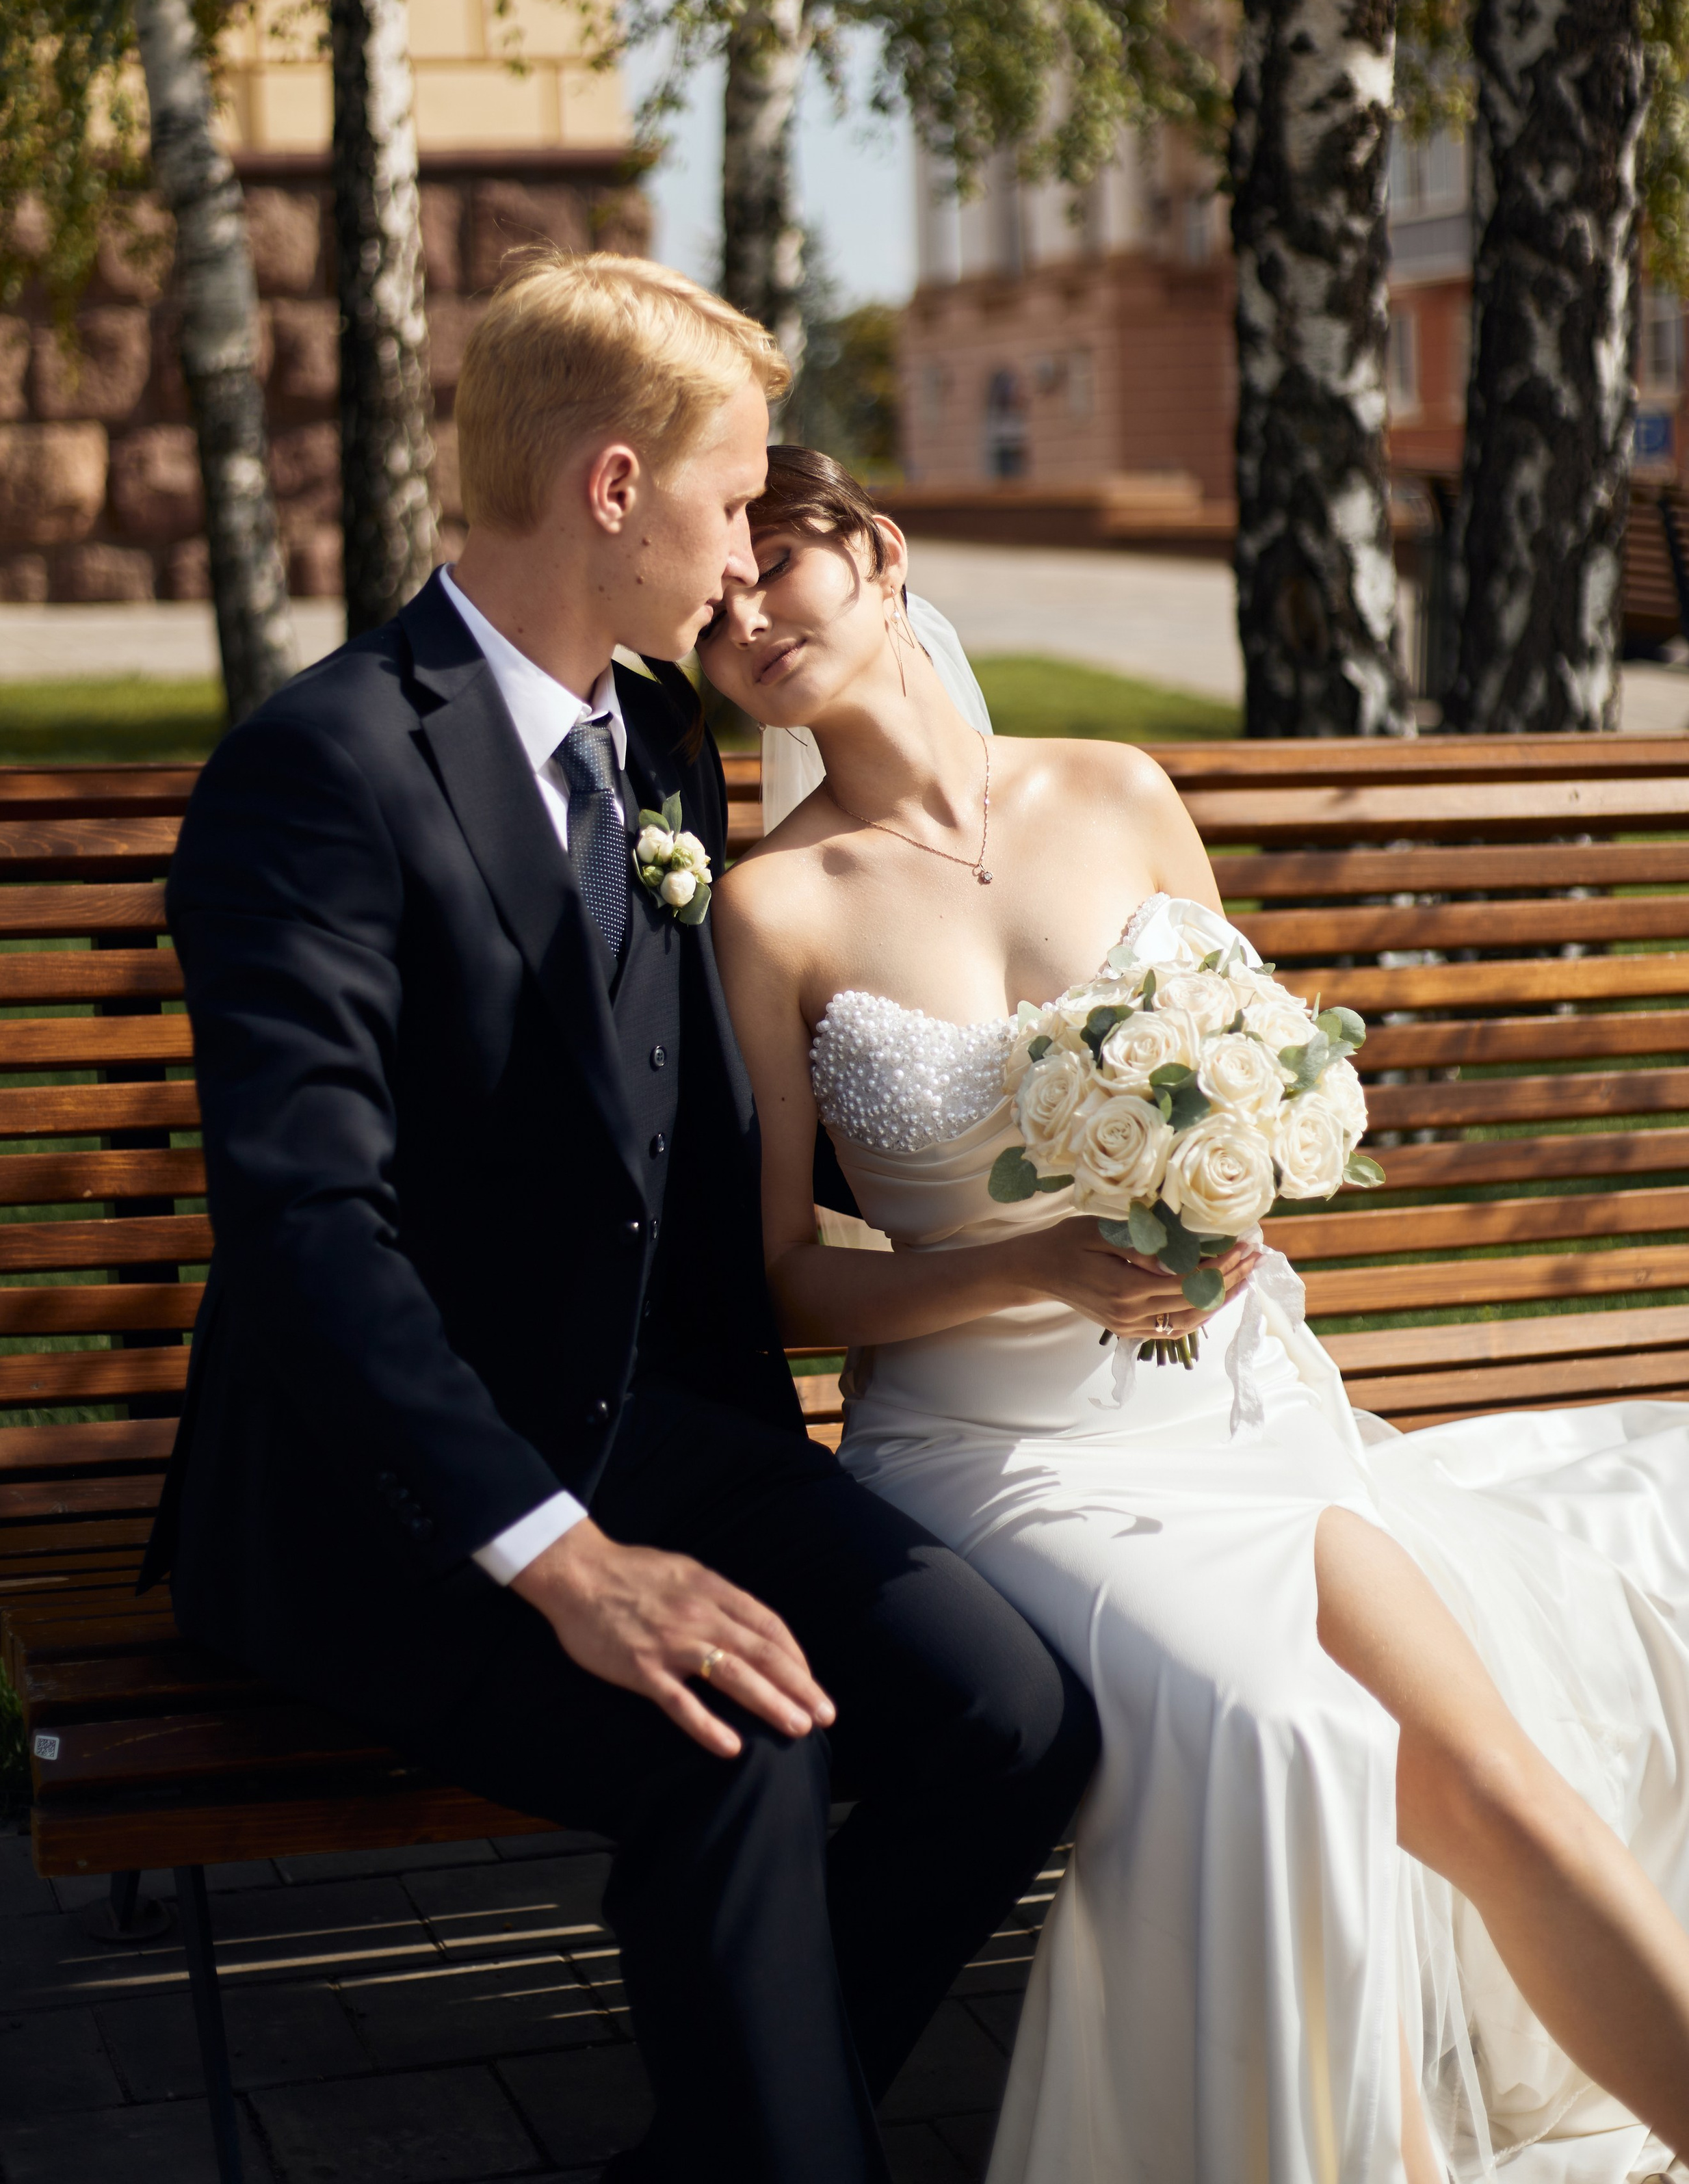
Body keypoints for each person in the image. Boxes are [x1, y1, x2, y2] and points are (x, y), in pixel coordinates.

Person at [142, 258, 1098, 2184]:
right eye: (735, 493)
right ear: (612, 489)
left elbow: (701, 1111)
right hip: (393, 1501)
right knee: (737, 1756)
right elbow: (311, 1231)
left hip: (659, 1428)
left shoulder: (658, 743)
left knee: (1014, 1721)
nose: (749, 548)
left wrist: (1060, 1124)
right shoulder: (318, 775)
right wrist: (565, 1563)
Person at [701, 443, 1689, 2184]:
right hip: (1004, 1460)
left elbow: (1250, 1083)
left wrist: (1232, 1200)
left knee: (1488, 1781)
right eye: (708, 607)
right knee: (1290, 1738)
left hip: (1237, 1406)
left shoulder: (1116, 790)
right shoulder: (775, 906)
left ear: (877, 550)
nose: (746, 615)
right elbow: (781, 1271)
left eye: (775, 561)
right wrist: (1021, 1267)